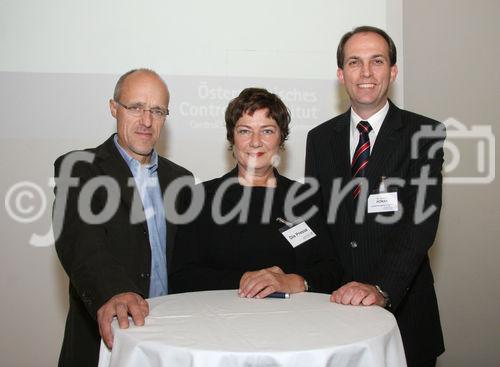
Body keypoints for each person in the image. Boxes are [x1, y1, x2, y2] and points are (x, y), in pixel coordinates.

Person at [305, 26, 445, 367]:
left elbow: (420, 225)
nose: (366, 73)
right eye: (354, 62)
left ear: (393, 71)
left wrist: (380, 288)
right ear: (341, 74)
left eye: (377, 61)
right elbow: (316, 222)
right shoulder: (319, 139)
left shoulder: (424, 135)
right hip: (333, 310)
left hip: (404, 314)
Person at [53, 68, 193, 367]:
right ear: (113, 108)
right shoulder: (80, 168)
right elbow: (80, 241)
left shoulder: (181, 179)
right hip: (108, 341)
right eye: (136, 107)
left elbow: (189, 260)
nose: (147, 120)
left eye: (157, 110)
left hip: (170, 342)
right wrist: (114, 292)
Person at [171, 88, 342, 297]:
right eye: (245, 131)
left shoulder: (306, 198)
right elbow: (181, 277)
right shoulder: (199, 198)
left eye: (267, 131)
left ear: (281, 138)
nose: (255, 141)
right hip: (221, 323)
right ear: (232, 138)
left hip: (294, 323)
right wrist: (243, 280)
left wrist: (295, 281)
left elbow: (331, 270)